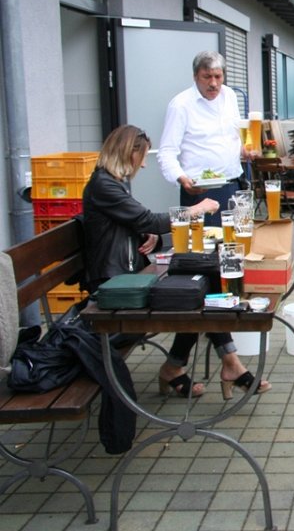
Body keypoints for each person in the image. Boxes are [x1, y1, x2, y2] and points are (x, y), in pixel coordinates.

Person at [83, 125, 271, 399]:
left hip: (125, 273)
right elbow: (147, 219)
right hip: (114, 285)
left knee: (199, 288)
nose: (143, 165)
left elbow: (132, 223)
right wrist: (195, 209)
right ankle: (217, 365)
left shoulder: (109, 183)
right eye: (143, 157)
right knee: (192, 296)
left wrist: (150, 236)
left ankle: (205, 365)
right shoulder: (104, 185)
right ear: (129, 152)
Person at [158, 51, 258, 225]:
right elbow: (166, 152)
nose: (213, 83)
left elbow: (236, 130)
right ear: (195, 76)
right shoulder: (180, 105)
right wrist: (181, 178)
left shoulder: (230, 95)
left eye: (218, 77)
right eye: (207, 77)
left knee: (241, 237)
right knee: (206, 241)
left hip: (235, 184)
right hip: (200, 191)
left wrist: (245, 147)